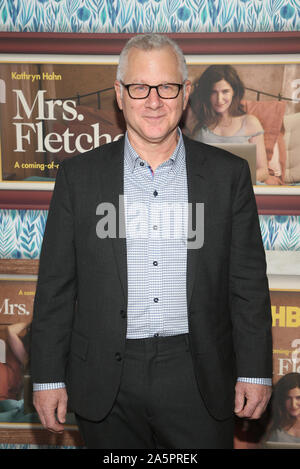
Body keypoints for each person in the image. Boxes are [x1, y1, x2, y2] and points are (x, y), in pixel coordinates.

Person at [30, 34, 273, 449]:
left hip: (198, 374)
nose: (154, 100)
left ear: (186, 93)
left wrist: (254, 371)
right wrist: (48, 376)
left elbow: (247, 285)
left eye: (167, 87)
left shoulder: (227, 176)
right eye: (140, 87)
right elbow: (55, 288)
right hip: (106, 378)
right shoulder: (78, 178)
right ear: (120, 95)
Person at [189, 64, 280, 185]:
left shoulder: (250, 123)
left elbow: (263, 171)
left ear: (234, 92)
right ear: (206, 94)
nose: (219, 99)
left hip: (243, 187)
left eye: (225, 91)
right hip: (210, 189)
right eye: (213, 92)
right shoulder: (198, 126)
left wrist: (234, 182)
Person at [266, 373, 300, 444]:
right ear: (282, 400)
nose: (293, 405)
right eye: (288, 398)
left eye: (298, 398)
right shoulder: (275, 433)